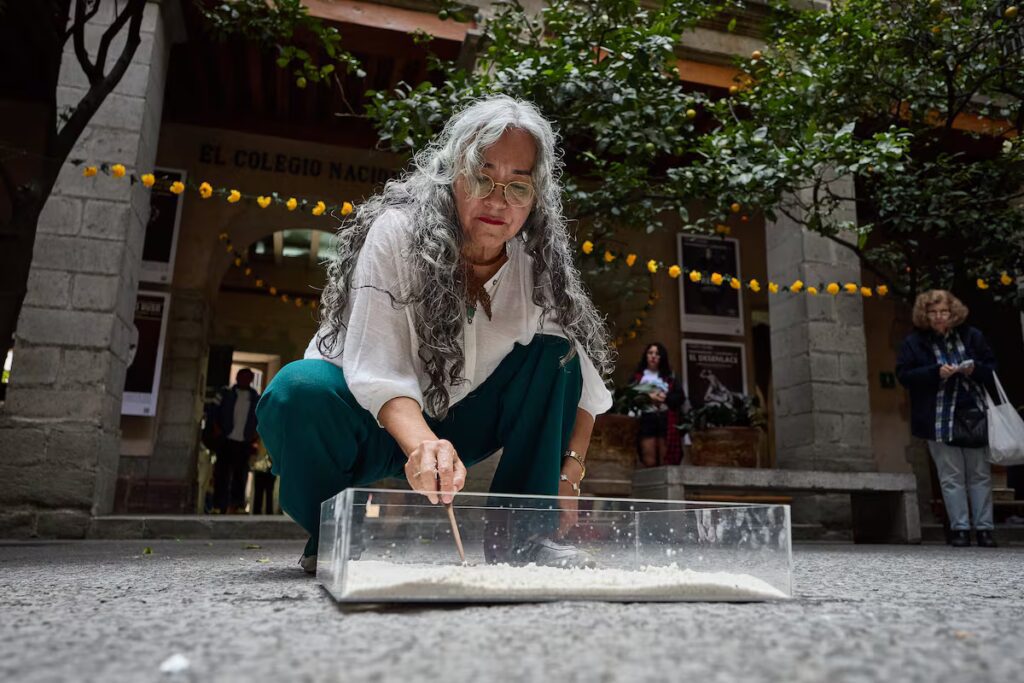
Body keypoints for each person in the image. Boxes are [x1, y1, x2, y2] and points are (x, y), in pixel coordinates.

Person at [256, 96, 614, 572]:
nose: (497, 200)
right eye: (481, 177)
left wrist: (568, 477)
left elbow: (584, 385)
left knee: (558, 353)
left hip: (462, 421)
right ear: (452, 176)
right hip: (369, 420)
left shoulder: (536, 263)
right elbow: (378, 370)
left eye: (518, 187)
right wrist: (424, 445)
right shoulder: (398, 232)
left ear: (536, 197)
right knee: (295, 391)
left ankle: (524, 539)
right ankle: (334, 533)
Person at [896, 290, 998, 548]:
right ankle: (960, 529)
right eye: (933, 313)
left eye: (944, 312)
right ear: (924, 315)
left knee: (979, 473)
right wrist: (935, 372)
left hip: (974, 412)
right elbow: (904, 376)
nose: (940, 317)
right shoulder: (914, 342)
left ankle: (985, 529)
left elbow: (992, 369)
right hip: (938, 418)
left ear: (954, 313)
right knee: (950, 476)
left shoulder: (972, 336)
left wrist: (975, 369)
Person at [207, 368, 261, 514]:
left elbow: (261, 417)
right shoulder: (225, 394)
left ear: (250, 380)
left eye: (247, 378)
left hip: (244, 441)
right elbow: (212, 410)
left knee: (240, 475)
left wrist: (256, 433)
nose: (243, 380)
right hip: (226, 439)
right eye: (241, 377)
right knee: (221, 473)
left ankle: (236, 505)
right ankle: (218, 505)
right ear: (236, 378)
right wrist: (215, 427)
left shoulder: (256, 398)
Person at [630, 342, 686, 467]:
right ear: (646, 356)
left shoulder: (670, 376)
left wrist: (665, 398)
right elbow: (629, 396)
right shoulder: (638, 376)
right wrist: (647, 397)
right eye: (650, 353)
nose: (653, 356)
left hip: (665, 419)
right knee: (649, 459)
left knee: (665, 459)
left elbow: (680, 397)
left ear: (662, 357)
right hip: (646, 418)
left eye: (657, 354)